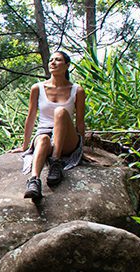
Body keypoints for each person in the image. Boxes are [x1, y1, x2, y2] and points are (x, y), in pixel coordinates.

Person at [14, 50, 86, 200]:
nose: (53, 63)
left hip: (67, 139)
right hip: (44, 134)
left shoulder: (77, 90)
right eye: (51, 60)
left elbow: (80, 122)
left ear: (67, 65)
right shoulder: (37, 88)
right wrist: (24, 145)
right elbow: (31, 117)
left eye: (58, 60)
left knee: (60, 112)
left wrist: (82, 150)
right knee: (43, 140)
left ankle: (55, 161)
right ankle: (34, 181)